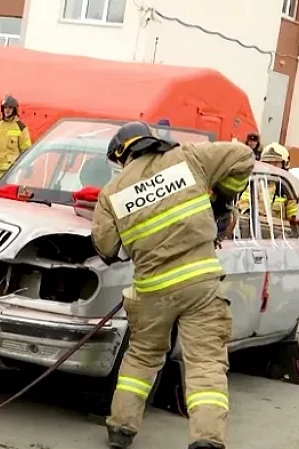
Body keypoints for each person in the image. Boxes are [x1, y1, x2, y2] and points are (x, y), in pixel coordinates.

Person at [90, 121, 254, 449]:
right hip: (200, 285)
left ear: (122, 155)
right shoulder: (187, 159)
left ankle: (121, 428)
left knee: (141, 357)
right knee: (205, 362)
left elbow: (106, 248)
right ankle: (207, 439)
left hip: (151, 290)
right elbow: (243, 158)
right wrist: (222, 200)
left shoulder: (111, 193)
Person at [238, 143, 297, 223]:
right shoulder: (255, 184)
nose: (271, 167)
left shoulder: (288, 188)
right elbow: (243, 203)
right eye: (268, 163)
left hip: (279, 232)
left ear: (285, 165)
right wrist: (248, 212)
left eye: (276, 163)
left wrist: (294, 218)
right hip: (257, 228)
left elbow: (294, 218)